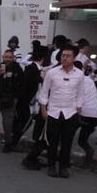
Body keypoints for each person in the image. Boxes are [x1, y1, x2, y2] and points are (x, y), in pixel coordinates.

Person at [38, 46, 88, 178]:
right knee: (52, 142)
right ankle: (51, 166)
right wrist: (43, 108)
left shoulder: (79, 74)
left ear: (74, 58)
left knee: (67, 142)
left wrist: (78, 109)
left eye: (68, 56)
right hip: (53, 111)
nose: (65, 58)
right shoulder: (52, 73)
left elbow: (81, 94)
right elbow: (44, 92)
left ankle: (64, 167)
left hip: (70, 113)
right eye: (63, 55)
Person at [13, 46, 46, 158]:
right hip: (26, 102)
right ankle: (13, 143)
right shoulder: (33, 69)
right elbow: (29, 82)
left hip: (31, 102)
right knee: (23, 122)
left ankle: (14, 142)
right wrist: (40, 78)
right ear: (42, 59)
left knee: (26, 122)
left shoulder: (35, 68)